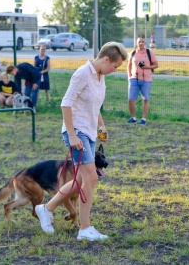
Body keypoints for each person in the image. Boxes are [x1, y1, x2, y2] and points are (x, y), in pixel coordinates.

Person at [35, 42, 128, 241]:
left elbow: (95, 106)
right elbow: (65, 104)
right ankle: (85, 229)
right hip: (77, 133)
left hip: (89, 133)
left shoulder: (100, 77)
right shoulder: (82, 74)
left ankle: (46, 208)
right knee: (91, 179)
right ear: (106, 60)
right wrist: (72, 135)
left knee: (79, 182)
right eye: (115, 66)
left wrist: (101, 126)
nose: (115, 70)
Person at [127, 35, 158, 125]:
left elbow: (156, 65)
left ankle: (143, 119)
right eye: (139, 41)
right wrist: (129, 76)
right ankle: (133, 118)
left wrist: (146, 67)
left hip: (146, 79)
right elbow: (129, 65)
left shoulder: (149, 52)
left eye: (143, 42)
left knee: (146, 99)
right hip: (134, 79)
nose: (141, 43)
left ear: (145, 43)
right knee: (131, 99)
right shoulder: (132, 53)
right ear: (136, 43)